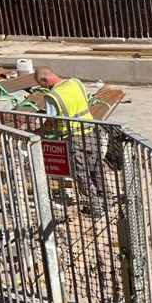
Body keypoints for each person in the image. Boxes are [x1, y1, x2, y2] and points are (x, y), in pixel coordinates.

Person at [32, 65, 107, 217]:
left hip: (75, 139)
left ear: (46, 80)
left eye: (42, 85)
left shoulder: (53, 96)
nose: (44, 88)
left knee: (82, 174)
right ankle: (108, 199)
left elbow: (51, 121)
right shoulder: (76, 82)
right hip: (92, 132)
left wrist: (37, 132)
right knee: (96, 169)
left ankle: (96, 207)